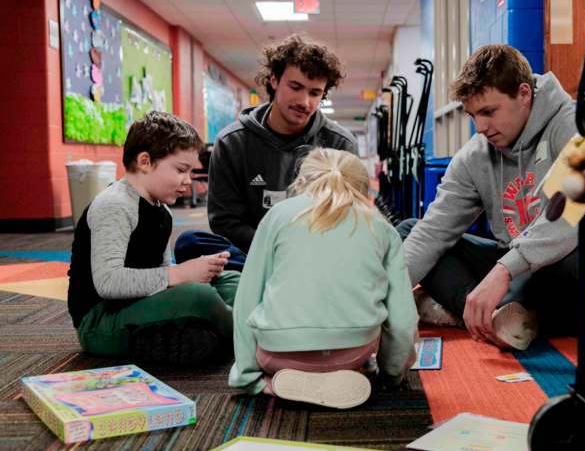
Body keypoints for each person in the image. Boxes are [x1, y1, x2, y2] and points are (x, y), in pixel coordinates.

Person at [399, 44, 579, 351]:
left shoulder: (574, 126)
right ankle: (493, 316)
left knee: (578, 261)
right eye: (473, 115)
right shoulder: (476, 155)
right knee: (409, 230)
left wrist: (504, 270)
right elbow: (433, 232)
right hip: (513, 266)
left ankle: (468, 310)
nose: (480, 127)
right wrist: (379, 302)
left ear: (524, 94)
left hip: (561, 262)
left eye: (488, 112)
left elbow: (570, 215)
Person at [229, 148, 418, 409]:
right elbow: (403, 319)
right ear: (363, 188)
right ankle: (346, 374)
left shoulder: (278, 216)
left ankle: (273, 384)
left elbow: (247, 297)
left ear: (301, 182)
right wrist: (391, 374)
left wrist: (248, 377)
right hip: (352, 352)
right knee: (370, 327)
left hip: (279, 354)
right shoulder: (381, 227)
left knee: (269, 330)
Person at [67, 112, 240, 365]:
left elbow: (158, 277)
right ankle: (251, 335)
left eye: (191, 172)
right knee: (198, 296)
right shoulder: (114, 205)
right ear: (145, 161)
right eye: (181, 170)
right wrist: (179, 275)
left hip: (137, 305)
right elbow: (108, 282)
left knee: (230, 280)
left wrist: (197, 271)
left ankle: (211, 335)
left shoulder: (162, 212)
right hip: (100, 321)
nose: (187, 180)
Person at [175, 35, 358, 268]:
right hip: (254, 252)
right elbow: (225, 221)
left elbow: (345, 219)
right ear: (273, 80)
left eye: (315, 93)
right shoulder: (232, 142)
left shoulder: (339, 145)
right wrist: (277, 248)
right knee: (190, 243)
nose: (304, 101)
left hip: (314, 256)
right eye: (296, 87)